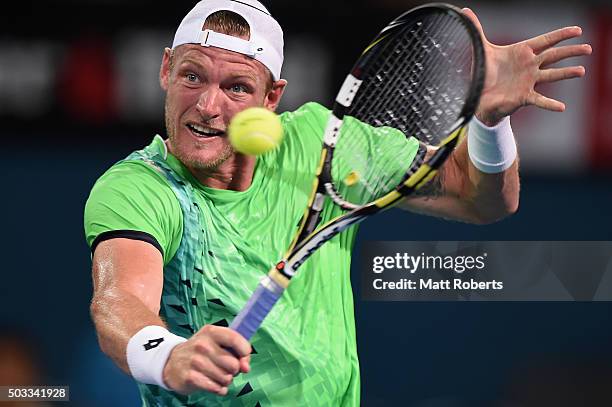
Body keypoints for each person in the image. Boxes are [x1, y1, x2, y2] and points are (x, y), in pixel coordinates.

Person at [84, 0, 591, 405]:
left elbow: (484, 200)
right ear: (166, 70)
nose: (208, 105)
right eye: (192, 76)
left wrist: (488, 121)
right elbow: (119, 302)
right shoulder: (138, 187)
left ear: (270, 98)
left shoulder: (322, 144)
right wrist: (169, 355)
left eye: (236, 86)